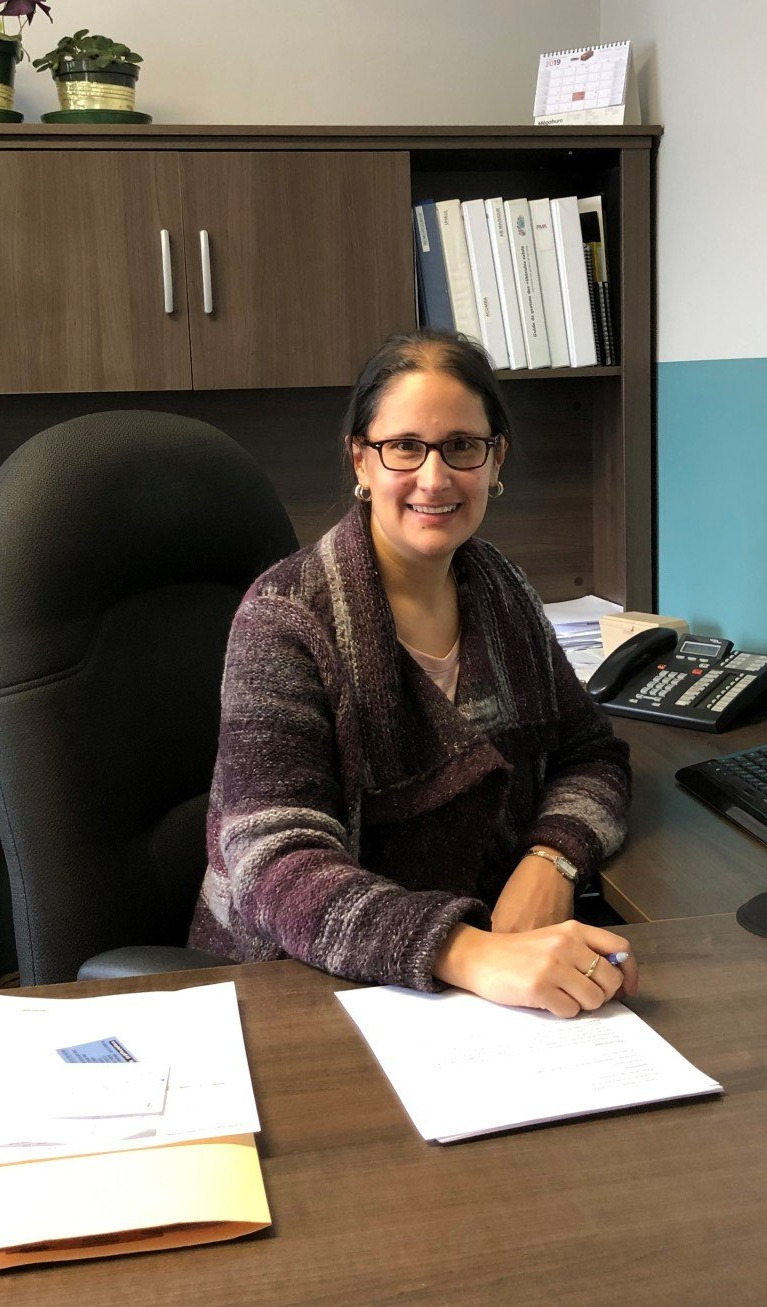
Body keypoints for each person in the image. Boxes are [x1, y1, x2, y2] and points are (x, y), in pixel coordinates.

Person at [189, 328, 637, 1016]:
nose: (435, 477)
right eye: (404, 447)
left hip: (478, 986)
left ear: (496, 460)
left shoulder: (504, 590)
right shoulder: (285, 618)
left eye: (462, 446)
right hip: (296, 983)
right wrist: (469, 951)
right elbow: (275, 862)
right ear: (361, 463)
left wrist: (552, 858)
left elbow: (592, 753)